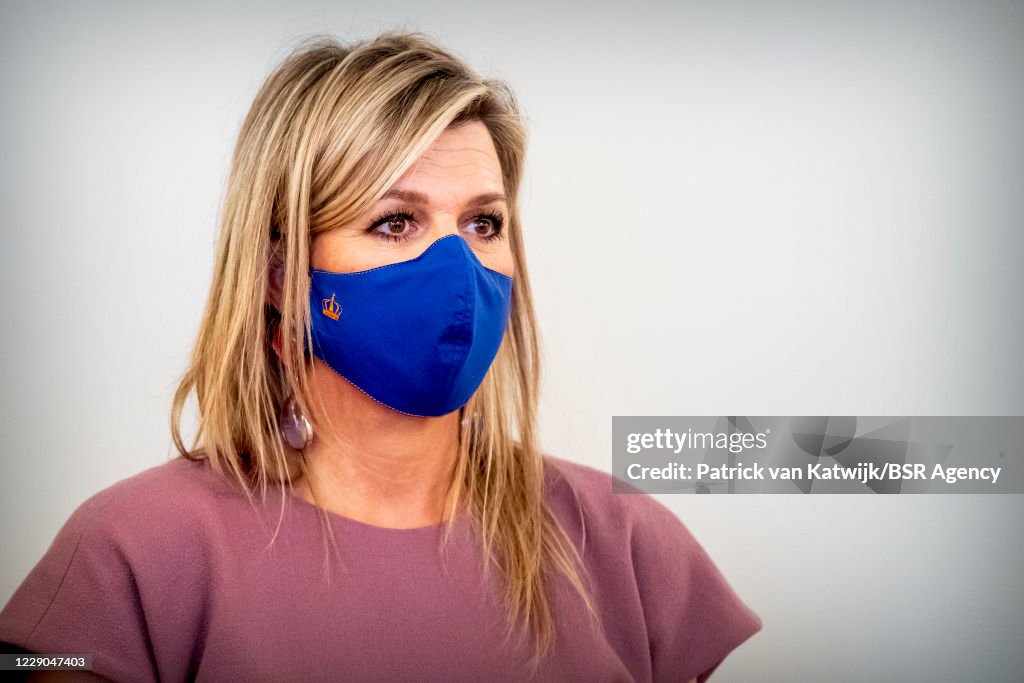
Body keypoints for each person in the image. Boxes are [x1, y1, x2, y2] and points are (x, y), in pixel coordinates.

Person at [0, 30, 761, 682]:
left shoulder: (626, 546)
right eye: (396, 221)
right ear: (279, 271)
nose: (457, 267)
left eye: (483, 222)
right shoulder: (131, 555)